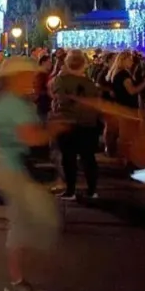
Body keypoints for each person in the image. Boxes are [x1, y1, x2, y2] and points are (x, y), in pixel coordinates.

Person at [0, 56, 66, 291]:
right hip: (17, 168)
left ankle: (20, 276)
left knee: (26, 221)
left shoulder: (5, 103)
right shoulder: (16, 106)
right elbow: (31, 138)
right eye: (29, 76)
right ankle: (17, 279)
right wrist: (54, 129)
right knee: (28, 222)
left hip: (10, 166)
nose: (33, 80)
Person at [50, 50, 101, 200]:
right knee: (88, 158)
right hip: (88, 124)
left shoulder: (62, 80)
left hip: (67, 123)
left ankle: (70, 190)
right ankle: (92, 190)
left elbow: (60, 100)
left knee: (68, 158)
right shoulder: (90, 83)